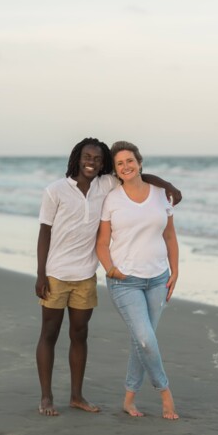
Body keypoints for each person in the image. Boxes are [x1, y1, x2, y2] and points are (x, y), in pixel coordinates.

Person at [35, 137, 182, 416]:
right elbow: (44, 232)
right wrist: (40, 274)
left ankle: (78, 397)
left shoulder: (106, 184)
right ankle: (46, 398)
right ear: (78, 158)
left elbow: (134, 174)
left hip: (86, 275)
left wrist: (168, 185)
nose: (92, 162)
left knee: (81, 335)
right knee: (50, 334)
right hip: (56, 274)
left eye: (98, 159)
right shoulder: (55, 191)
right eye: (87, 157)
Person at [96, 140, 179, 420]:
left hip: (158, 278)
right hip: (125, 281)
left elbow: (170, 236)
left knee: (142, 340)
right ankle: (165, 393)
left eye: (129, 161)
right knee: (145, 339)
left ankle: (129, 399)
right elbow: (102, 243)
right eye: (119, 163)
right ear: (116, 170)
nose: (126, 166)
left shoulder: (160, 194)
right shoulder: (112, 199)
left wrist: (175, 271)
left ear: (140, 162)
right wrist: (110, 269)